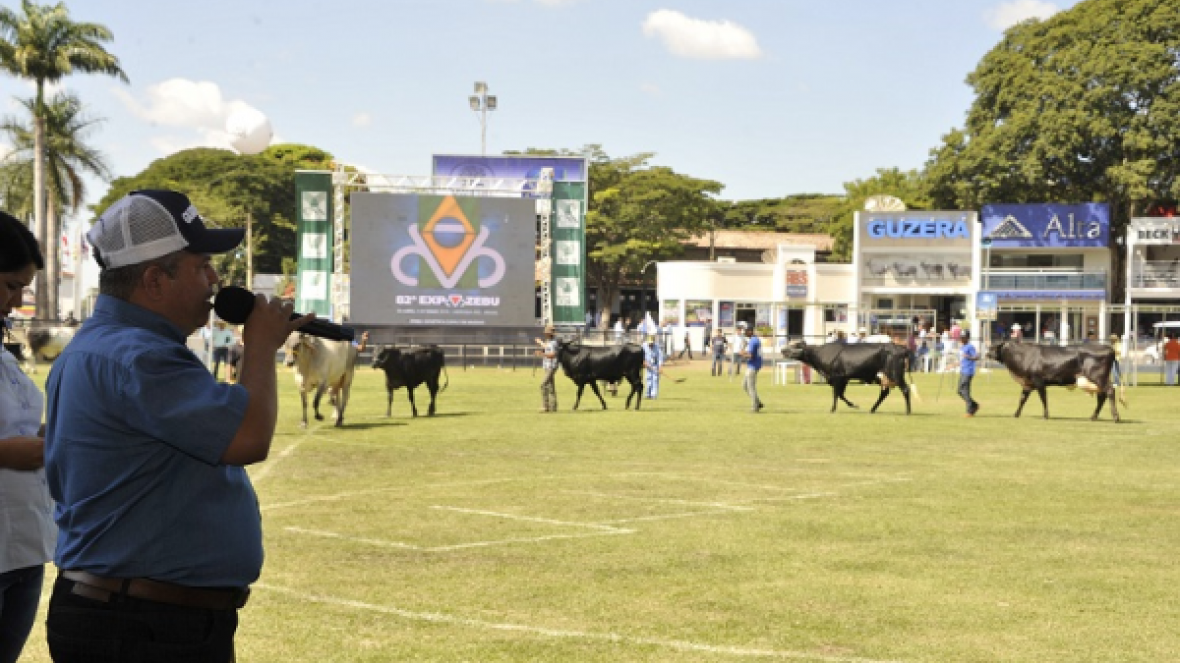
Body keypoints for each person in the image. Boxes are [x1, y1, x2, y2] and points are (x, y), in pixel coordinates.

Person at [43, 189, 312, 662]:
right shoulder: (139, 356)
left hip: (138, 615)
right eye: (202, 265)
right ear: (154, 280)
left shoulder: (105, 345)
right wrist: (261, 345)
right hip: (141, 626)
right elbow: (248, 437)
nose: (215, 280)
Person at [0, 211, 55, 663]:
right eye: (9, 285)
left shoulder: (3, 353)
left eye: (24, 288)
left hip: (22, 547)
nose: (17, 301)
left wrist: (47, 434)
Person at [535, 324, 559, 412]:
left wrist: (542, 354)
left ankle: (545, 406)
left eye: (546, 333)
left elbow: (552, 354)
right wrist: (540, 343)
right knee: (551, 386)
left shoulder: (553, 342)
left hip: (551, 366)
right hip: (548, 366)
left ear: (550, 334)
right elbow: (546, 347)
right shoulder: (549, 341)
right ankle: (553, 406)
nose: (545, 334)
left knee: (543, 384)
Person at [742, 325, 764, 413]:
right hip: (752, 365)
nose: (745, 333)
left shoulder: (753, 341)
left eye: (746, 331)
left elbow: (750, 355)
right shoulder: (754, 340)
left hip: (753, 366)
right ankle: (758, 402)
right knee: (744, 385)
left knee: (750, 387)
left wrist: (742, 354)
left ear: (750, 331)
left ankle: (755, 407)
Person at [958, 330, 980, 418]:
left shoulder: (970, 347)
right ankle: (974, 405)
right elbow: (962, 359)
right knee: (959, 390)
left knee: (965, 390)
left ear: (967, 338)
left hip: (968, 371)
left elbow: (976, 357)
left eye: (963, 337)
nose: (961, 339)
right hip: (963, 370)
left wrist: (968, 357)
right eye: (961, 337)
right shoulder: (962, 347)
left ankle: (970, 411)